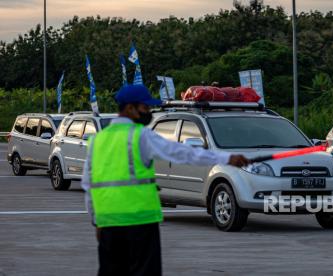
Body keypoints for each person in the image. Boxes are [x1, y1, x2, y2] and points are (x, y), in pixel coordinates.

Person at [81, 84, 249, 276]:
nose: (149, 112)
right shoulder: (140, 136)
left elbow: (89, 185)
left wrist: (97, 222)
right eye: (145, 107)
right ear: (130, 108)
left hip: (109, 225)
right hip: (140, 223)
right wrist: (226, 158)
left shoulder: (97, 141)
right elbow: (181, 152)